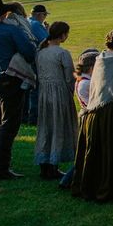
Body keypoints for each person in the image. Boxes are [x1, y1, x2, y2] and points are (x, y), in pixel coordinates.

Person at [0, 0, 37, 179]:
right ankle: (0, 167)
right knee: (9, 124)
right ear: (5, 12)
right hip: (9, 79)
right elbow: (29, 51)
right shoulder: (10, 30)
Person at [73, 29, 113, 201]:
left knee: (97, 150)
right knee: (111, 149)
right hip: (110, 109)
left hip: (96, 109)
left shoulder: (100, 58)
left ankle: (91, 184)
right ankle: (110, 187)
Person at [34, 21, 76, 180]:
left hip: (44, 93)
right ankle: (52, 164)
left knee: (46, 127)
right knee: (58, 127)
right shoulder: (62, 53)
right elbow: (69, 77)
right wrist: (71, 92)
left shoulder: (41, 52)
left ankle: (45, 163)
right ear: (63, 35)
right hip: (59, 93)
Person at [60, 48, 98, 190]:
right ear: (92, 67)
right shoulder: (86, 83)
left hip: (85, 115)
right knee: (85, 152)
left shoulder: (84, 80)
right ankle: (68, 179)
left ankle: (69, 179)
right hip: (88, 117)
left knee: (84, 151)